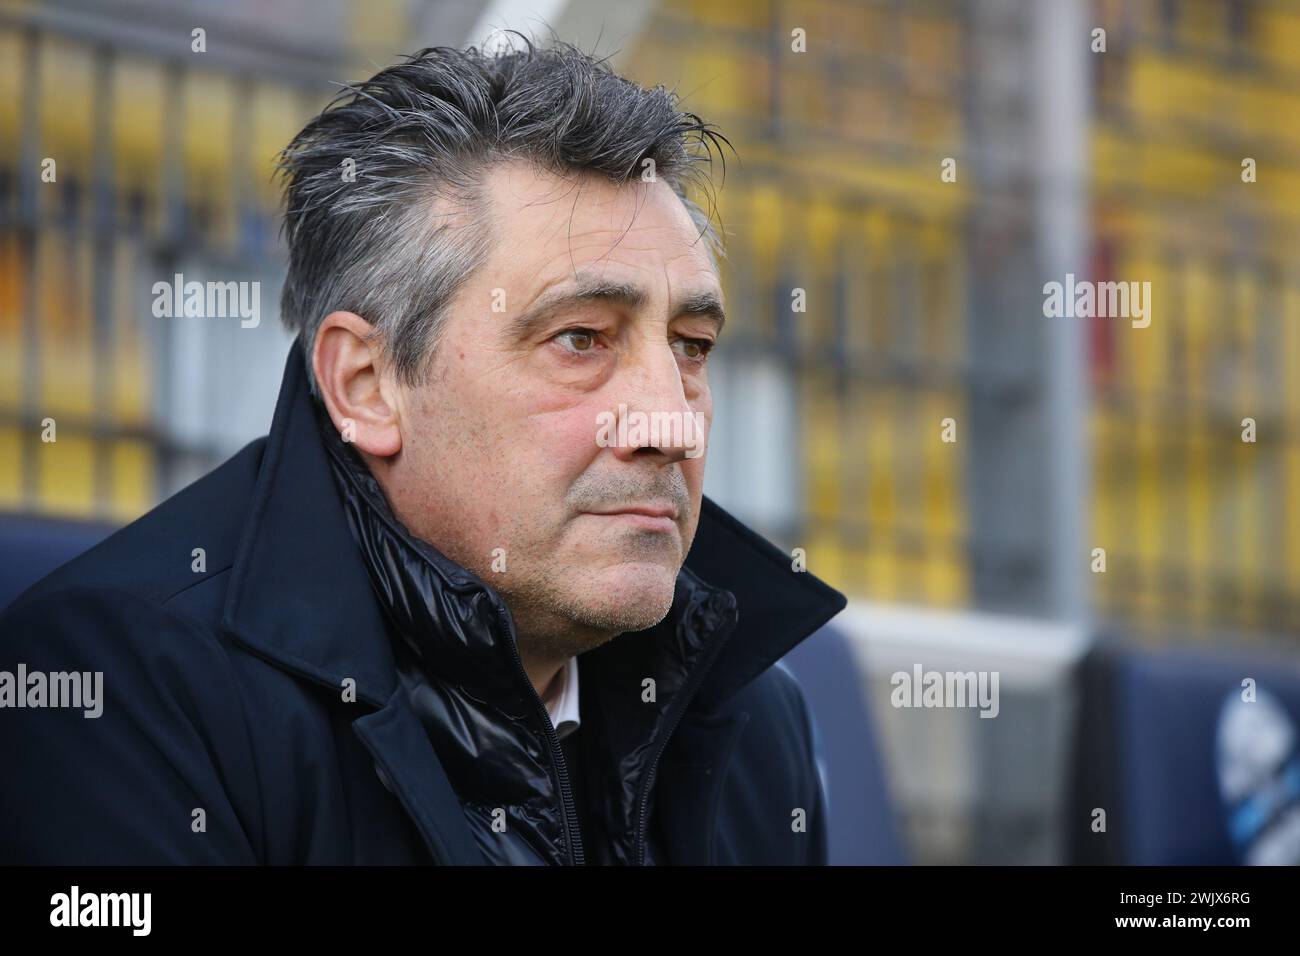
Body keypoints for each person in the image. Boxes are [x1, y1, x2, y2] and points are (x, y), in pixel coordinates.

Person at [0, 37, 844, 865]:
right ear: (366, 384)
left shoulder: (747, 714)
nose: (670, 420)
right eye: (581, 338)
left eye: (692, 345)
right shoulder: (119, 692)